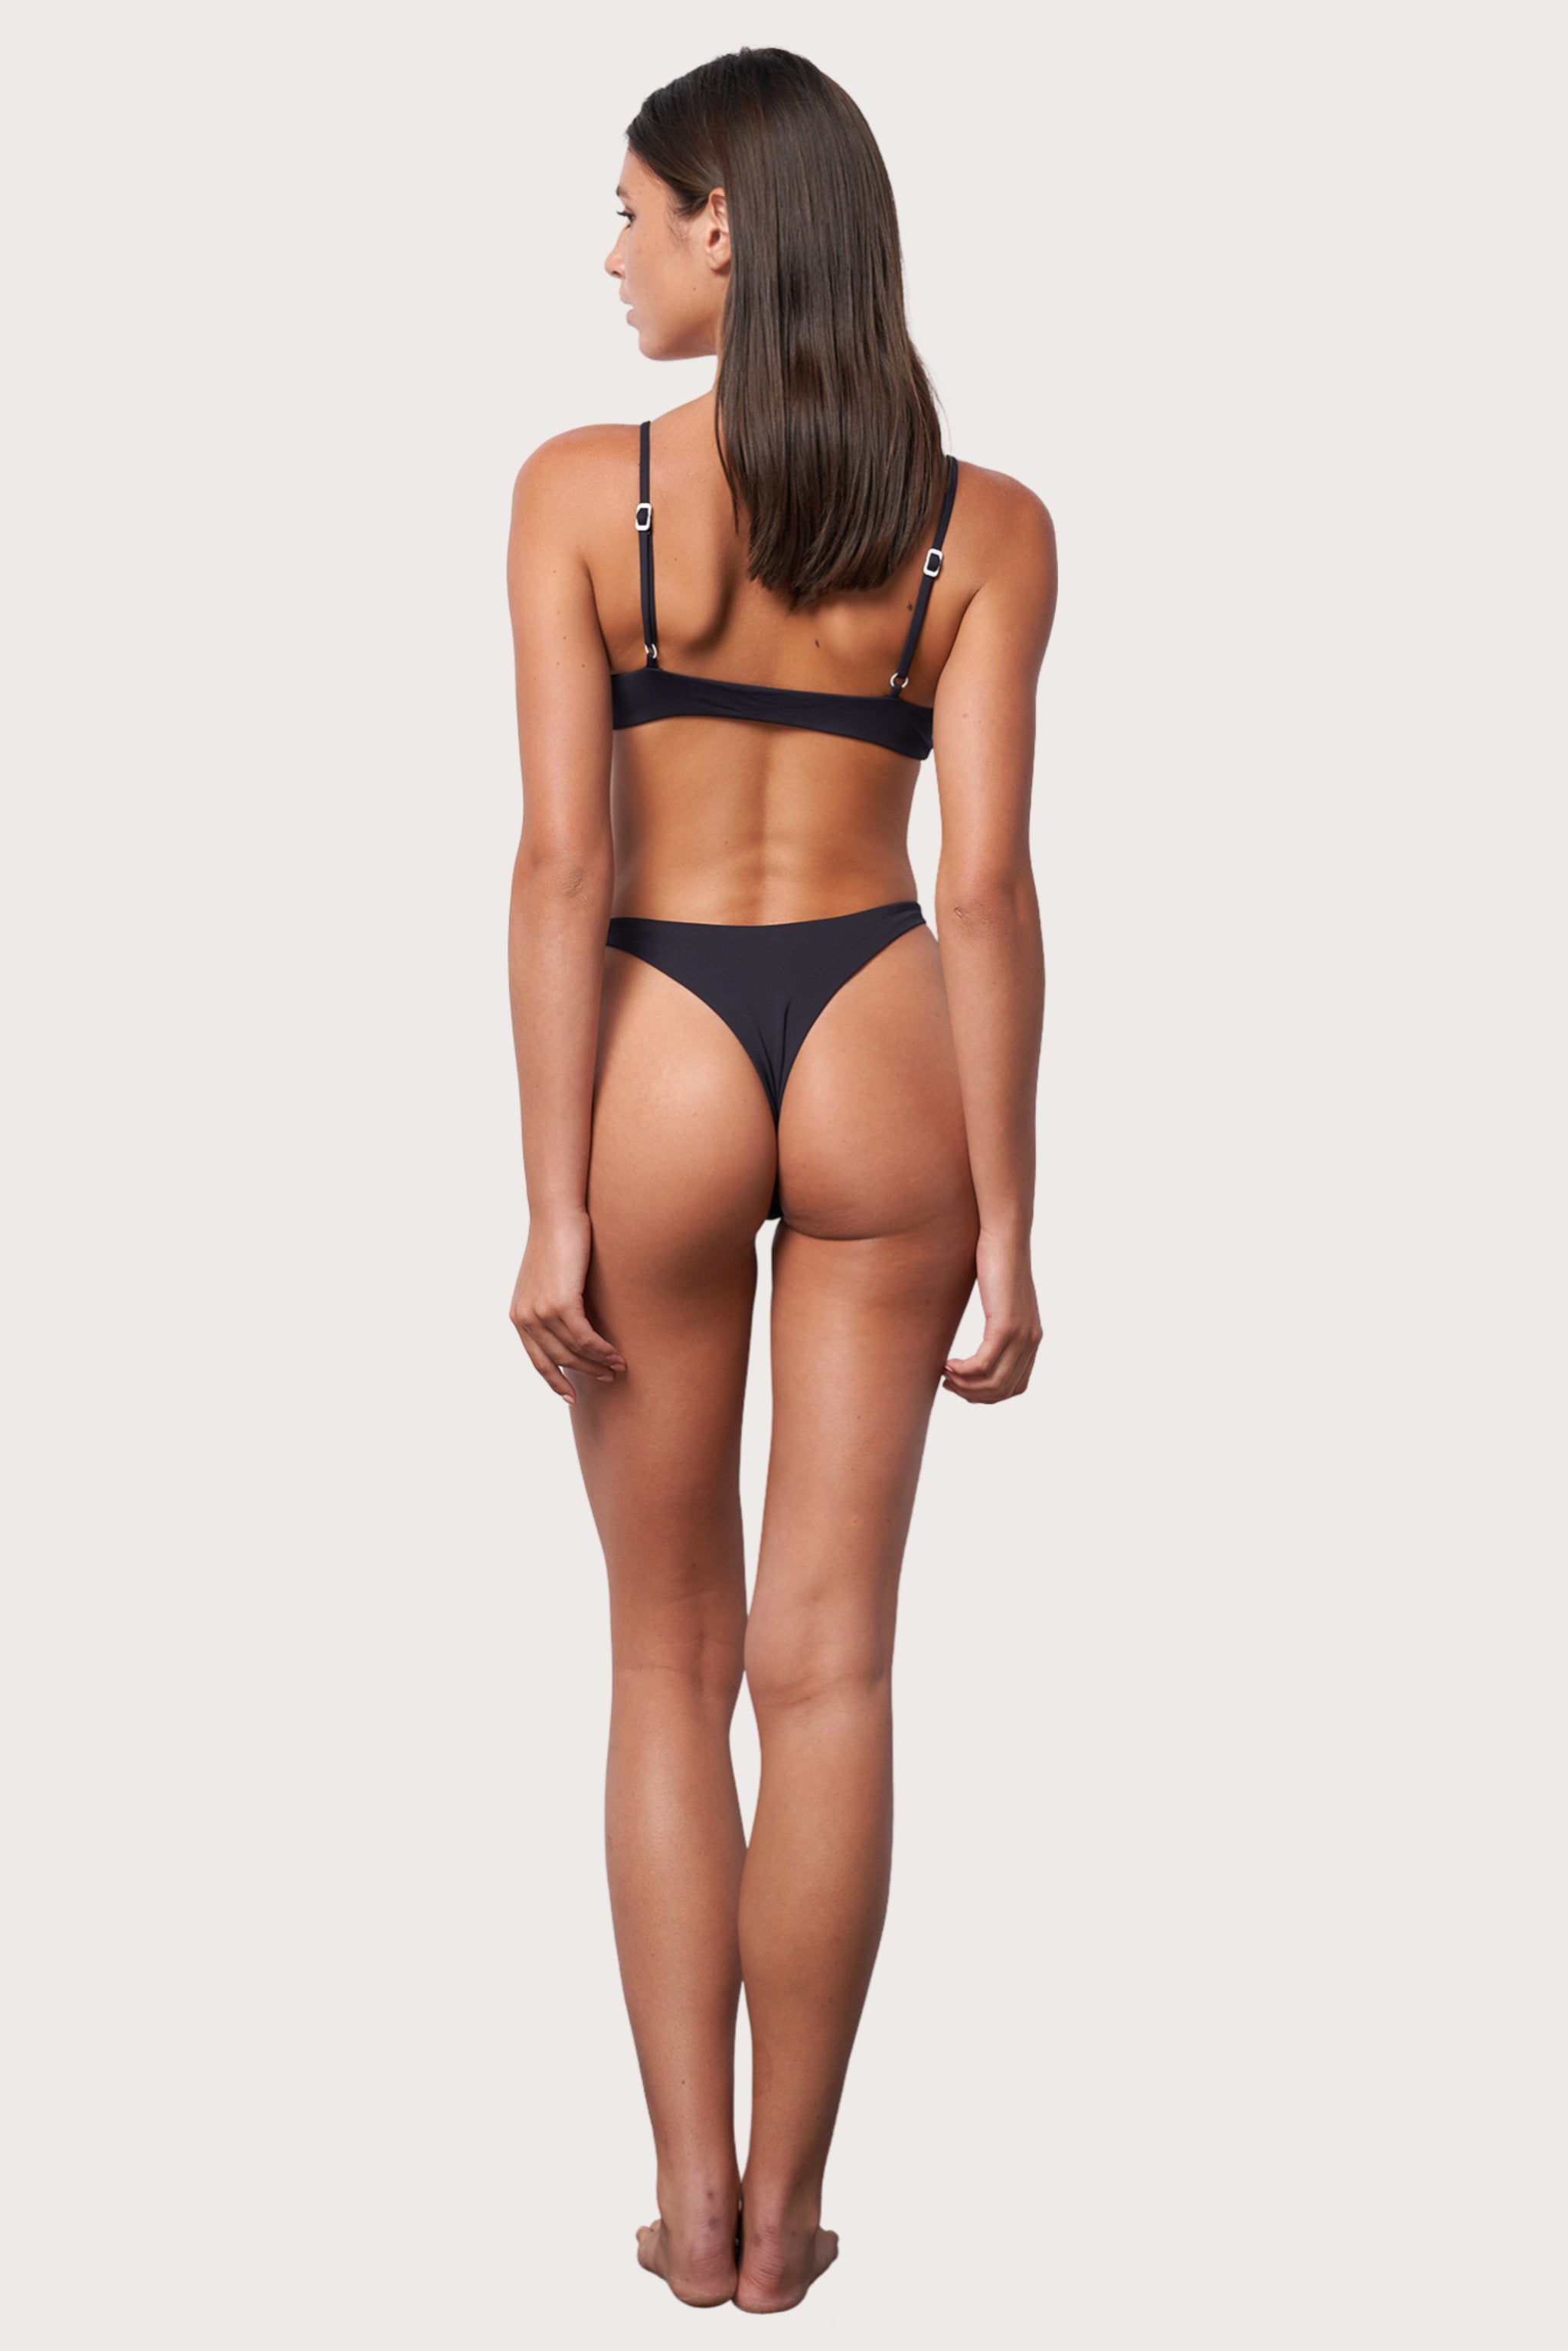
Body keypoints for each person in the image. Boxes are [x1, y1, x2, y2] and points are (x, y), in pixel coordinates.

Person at [505, 46, 1057, 2314]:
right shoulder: (987, 530)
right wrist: (1011, 1213)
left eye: (634, 213)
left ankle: (689, 2196)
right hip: (878, 1041)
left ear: (725, 226)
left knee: (669, 1656)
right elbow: (986, 890)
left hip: (653, 1038)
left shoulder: (580, 496)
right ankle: (796, 2206)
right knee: (829, 1672)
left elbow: (562, 866)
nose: (612, 254)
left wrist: (552, 1201)